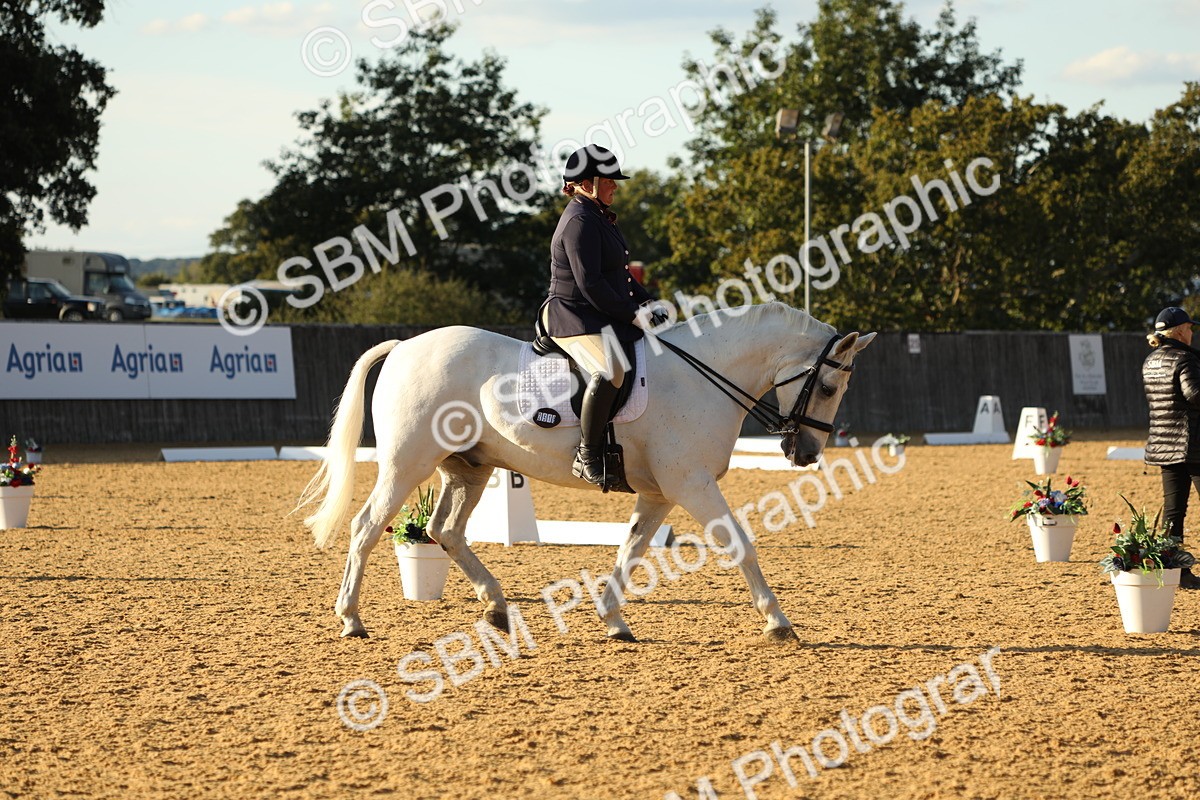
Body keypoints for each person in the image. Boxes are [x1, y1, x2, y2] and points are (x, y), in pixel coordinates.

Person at [541, 144, 665, 490]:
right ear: (585, 182)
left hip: (597, 314)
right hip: (572, 316)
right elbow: (591, 283)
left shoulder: (598, 217)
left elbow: (620, 277)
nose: (616, 186)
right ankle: (587, 455)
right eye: (609, 180)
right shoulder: (579, 221)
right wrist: (632, 315)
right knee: (611, 369)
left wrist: (649, 302)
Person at [1143, 305, 1200, 589]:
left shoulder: (1151, 361)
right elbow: (1194, 395)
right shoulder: (1186, 359)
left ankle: (1175, 572)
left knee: (1173, 512)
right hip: (1193, 445)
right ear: (1179, 331)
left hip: (1164, 444)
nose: (1191, 333)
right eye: (1189, 328)